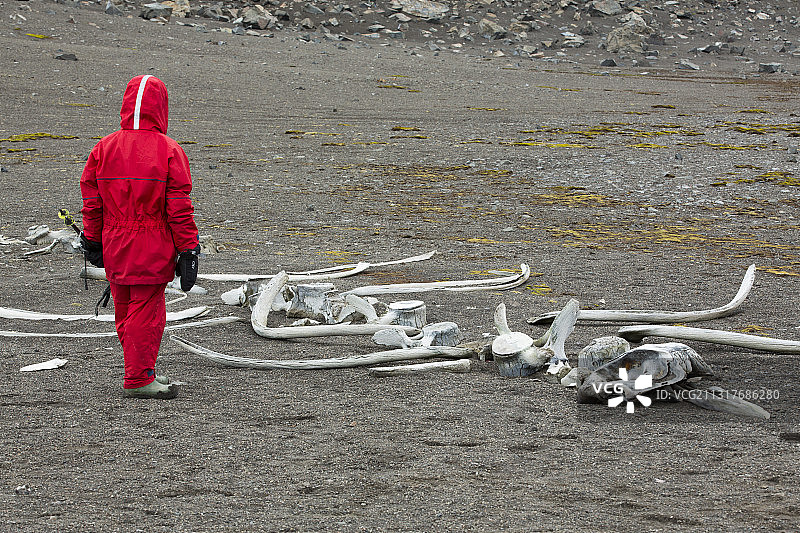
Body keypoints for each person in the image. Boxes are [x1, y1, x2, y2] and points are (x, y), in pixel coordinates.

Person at [80, 74, 200, 400]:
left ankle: (141, 370)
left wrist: (92, 241)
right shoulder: (170, 151)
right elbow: (179, 209)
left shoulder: (103, 149)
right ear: (161, 108)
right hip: (151, 247)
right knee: (146, 315)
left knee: (125, 312)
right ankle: (138, 378)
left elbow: (92, 203)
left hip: (115, 243)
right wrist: (188, 250)